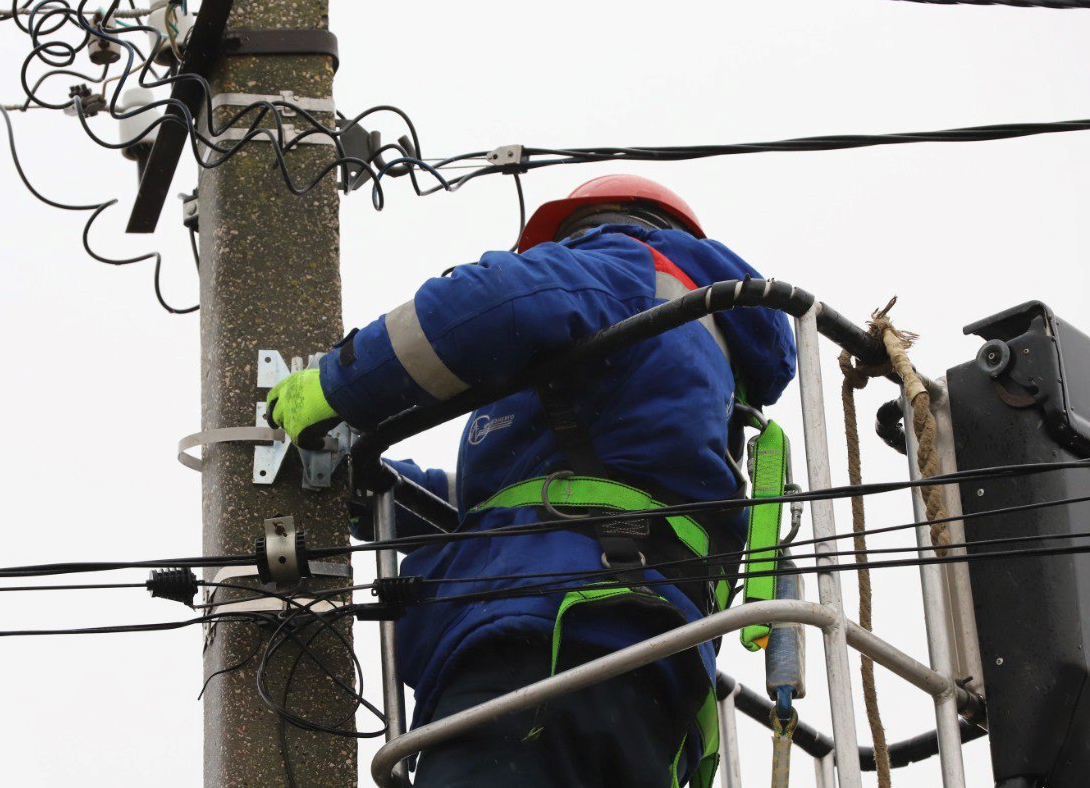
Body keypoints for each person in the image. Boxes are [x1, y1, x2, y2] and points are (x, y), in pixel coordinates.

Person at [268, 174, 797, 787]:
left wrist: (339, 384)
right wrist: (377, 492)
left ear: (603, 223)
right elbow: (514, 508)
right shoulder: (702, 379)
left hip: (545, 642)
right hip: (652, 663)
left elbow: (495, 301)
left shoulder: (627, 262)